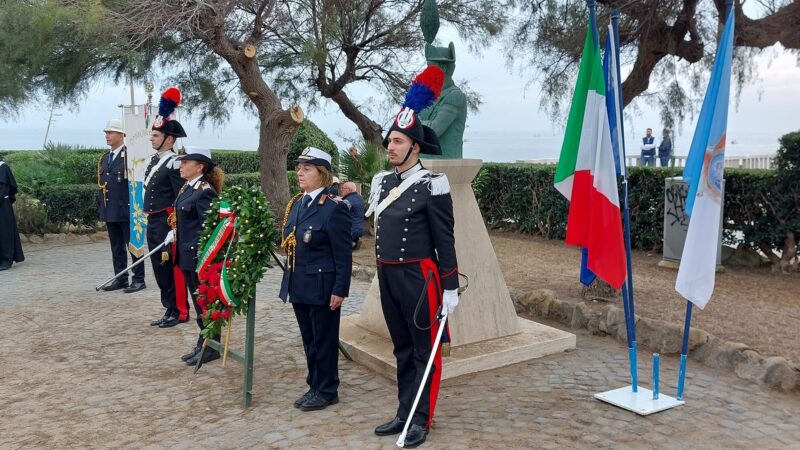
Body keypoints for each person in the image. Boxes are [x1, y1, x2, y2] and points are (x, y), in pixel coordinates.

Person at [367, 65, 459, 448]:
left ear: (416, 147)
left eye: (399, 142)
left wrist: (450, 287)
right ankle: (404, 411)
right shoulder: (381, 182)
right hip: (387, 276)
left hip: (420, 278)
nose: (391, 147)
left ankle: (421, 419)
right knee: (401, 347)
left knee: (425, 350)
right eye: (389, 141)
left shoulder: (433, 184)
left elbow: (445, 239)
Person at [279, 147, 352, 412]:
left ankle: (328, 389)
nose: (300, 172)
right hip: (299, 283)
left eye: (307, 168)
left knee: (324, 340)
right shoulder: (297, 203)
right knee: (309, 339)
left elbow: (343, 255)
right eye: (299, 167)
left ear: (322, 174)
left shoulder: (334, 208)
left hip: (323, 287)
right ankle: (315, 385)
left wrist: (340, 289)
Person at [173, 147, 224, 366]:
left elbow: (209, 228)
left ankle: (211, 345)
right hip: (185, 255)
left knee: (204, 302)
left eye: (186, 162)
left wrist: (195, 248)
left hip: (197, 257)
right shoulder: (187, 188)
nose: (181, 166)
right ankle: (203, 342)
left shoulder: (204, 191)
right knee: (198, 303)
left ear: (200, 166)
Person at [144, 87, 189, 328]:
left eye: (155, 136)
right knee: (159, 269)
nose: (151, 139)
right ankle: (168, 308)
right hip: (153, 222)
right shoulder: (155, 161)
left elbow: (180, 198)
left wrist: (176, 227)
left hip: (167, 222)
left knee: (172, 269)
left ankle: (180, 311)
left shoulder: (174, 163)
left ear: (169, 139)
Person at [96, 119, 146, 292]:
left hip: (127, 209)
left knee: (133, 245)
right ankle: (121, 278)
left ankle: (139, 279)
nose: (107, 136)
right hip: (110, 210)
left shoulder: (130, 156)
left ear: (121, 135)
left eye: (110, 132)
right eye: (106, 132)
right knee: (116, 246)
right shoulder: (105, 158)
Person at [0, 157, 24, 271]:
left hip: (2, 206)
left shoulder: (3, 167)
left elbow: (3, 189)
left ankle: (6, 260)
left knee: (4, 233)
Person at [339, 181, 365, 250]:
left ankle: (350, 243)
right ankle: (353, 241)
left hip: (350, 230)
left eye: (343, 188)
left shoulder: (347, 201)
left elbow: (338, 212)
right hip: (359, 228)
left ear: (349, 190)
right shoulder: (360, 198)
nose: (341, 190)